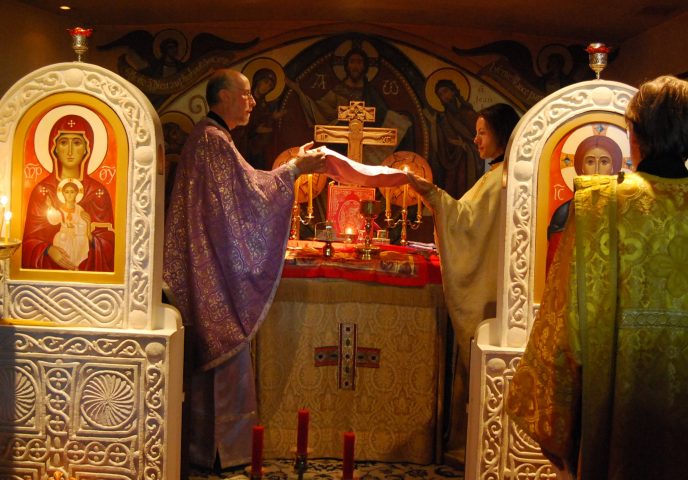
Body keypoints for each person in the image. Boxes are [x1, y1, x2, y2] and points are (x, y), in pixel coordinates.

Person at [507, 75, 688, 479]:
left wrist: (559, 418)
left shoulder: (598, 204)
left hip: (616, 412)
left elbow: (563, 325)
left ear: (634, 134)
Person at [163, 68, 326, 469]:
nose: (253, 102)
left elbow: (242, 192)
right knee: (225, 348)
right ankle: (220, 454)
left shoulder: (211, 139)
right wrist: (295, 170)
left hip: (208, 264)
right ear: (222, 97)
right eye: (246, 94)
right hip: (212, 271)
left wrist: (294, 167)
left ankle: (213, 451)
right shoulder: (212, 141)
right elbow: (249, 197)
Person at [407, 103, 520, 462]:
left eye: (482, 131)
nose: (475, 138)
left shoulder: (501, 180)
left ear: (501, 133)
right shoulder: (504, 175)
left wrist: (432, 194)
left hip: (490, 293)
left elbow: (464, 224)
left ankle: (479, 448)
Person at [22, 114, 115, 271]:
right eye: (64, 142)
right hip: (49, 272)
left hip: (87, 270)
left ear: (87, 148)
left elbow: (110, 242)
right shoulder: (43, 191)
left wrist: (90, 237)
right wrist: (47, 250)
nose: (70, 151)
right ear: (55, 148)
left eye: (77, 143)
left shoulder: (97, 192)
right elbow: (29, 241)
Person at [546, 134, 623, 271]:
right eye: (590, 162)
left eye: (604, 162)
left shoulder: (624, 209)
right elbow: (555, 268)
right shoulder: (565, 213)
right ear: (581, 167)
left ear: (613, 168)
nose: (597, 170)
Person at [49, 181, 91, 268]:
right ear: (63, 194)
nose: (69, 195)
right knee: (62, 238)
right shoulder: (59, 210)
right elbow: (53, 221)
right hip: (63, 237)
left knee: (81, 240)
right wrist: (50, 208)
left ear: (76, 193)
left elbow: (83, 225)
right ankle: (68, 266)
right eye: (67, 192)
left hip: (77, 237)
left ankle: (76, 266)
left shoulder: (80, 209)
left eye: (72, 192)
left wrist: (78, 225)